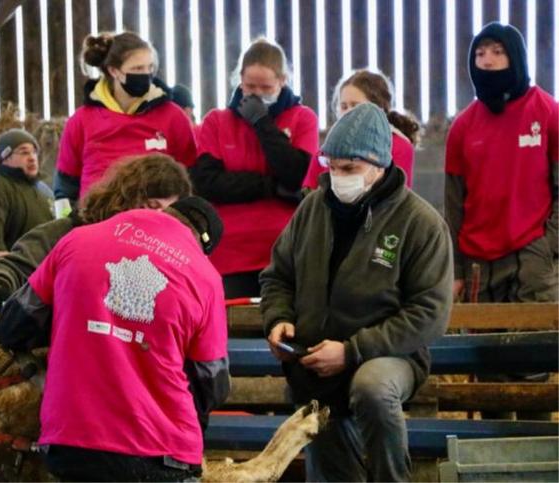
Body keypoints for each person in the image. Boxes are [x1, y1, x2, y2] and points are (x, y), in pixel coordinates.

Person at [260, 103, 452, 481]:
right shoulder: (312, 209)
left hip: (389, 355)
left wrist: (352, 351)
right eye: (331, 167)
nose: (337, 177)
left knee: (372, 387)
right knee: (324, 433)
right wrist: (278, 318)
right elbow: (277, 275)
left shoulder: (421, 223)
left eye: (350, 169)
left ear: (379, 166)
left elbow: (429, 312)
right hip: (315, 355)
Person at [0, 196, 229, 481]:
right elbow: (212, 385)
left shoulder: (76, 240)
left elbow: (13, 325)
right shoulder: (205, 277)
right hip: (161, 452)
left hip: (73, 442)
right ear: (203, 245)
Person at [445, 22, 558, 420]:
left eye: (497, 52)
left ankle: (536, 463)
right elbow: (454, 205)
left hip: (532, 257)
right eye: (480, 54)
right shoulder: (462, 126)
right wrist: (456, 269)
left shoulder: (547, 112)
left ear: (515, 57)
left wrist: (548, 247)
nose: (488, 61)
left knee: (531, 366)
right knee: (488, 370)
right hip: (479, 262)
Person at [0, 153, 193, 314]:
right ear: (126, 197)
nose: (155, 218)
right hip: (60, 349)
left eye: (166, 213)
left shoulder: (169, 258)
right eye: (150, 205)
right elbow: (17, 264)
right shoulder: (73, 232)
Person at [191, 38, 319, 298]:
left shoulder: (302, 118)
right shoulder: (216, 121)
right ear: (240, 80)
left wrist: (261, 122)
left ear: (282, 81)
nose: (257, 95)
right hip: (230, 250)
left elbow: (296, 176)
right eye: (250, 87)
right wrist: (271, 186)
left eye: (266, 87)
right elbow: (208, 184)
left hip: (283, 248)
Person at [54, 31, 197, 204]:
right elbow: (65, 185)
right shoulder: (81, 121)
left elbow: (191, 177)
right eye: (137, 69)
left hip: (155, 221)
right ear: (114, 71)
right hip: (97, 221)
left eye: (150, 67)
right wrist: (68, 223)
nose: (147, 74)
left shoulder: (172, 116)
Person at [303, 69, 420, 190]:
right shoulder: (324, 154)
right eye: (344, 106)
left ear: (378, 109)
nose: (348, 112)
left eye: (356, 106)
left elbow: (394, 198)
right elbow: (308, 196)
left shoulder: (399, 146)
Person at [0, 129, 54, 260]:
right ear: (6, 157)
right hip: (12, 272)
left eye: (34, 152)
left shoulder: (46, 191)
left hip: (44, 271)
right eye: (24, 152)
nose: (32, 158)